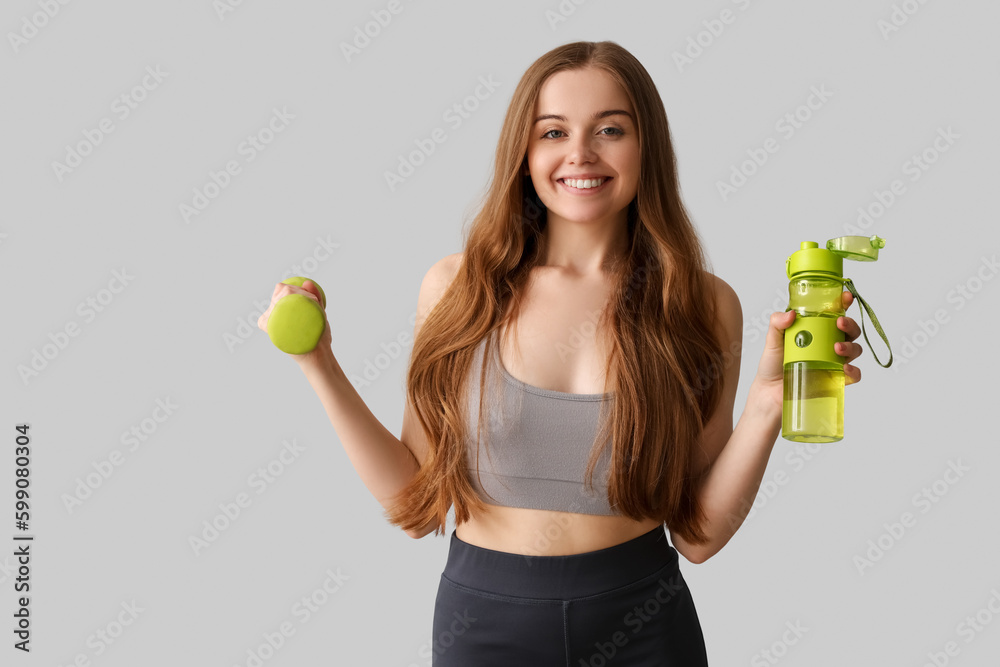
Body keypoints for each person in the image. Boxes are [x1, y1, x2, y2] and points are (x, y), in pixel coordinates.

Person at [258, 40, 866, 666]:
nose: (580, 154)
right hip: (484, 626)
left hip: (646, 626)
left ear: (645, 147)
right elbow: (415, 503)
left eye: (610, 129)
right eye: (553, 132)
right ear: (523, 153)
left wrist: (769, 405)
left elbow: (698, 535)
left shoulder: (703, 304)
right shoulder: (458, 289)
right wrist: (319, 363)